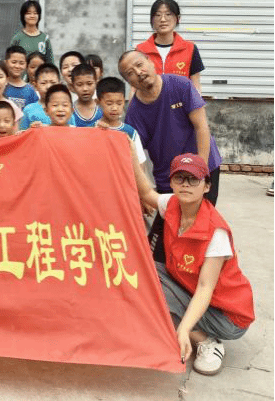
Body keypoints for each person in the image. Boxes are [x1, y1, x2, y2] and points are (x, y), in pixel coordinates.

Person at [130, 153, 254, 376]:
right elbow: (146, 193)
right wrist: (129, 148)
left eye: (193, 179)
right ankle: (181, 325)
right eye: (179, 178)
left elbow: (206, 288)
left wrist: (185, 328)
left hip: (228, 316)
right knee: (137, 271)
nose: (185, 184)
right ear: (171, 183)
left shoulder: (216, 233)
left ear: (207, 186)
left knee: (153, 295)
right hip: (191, 288)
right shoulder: (172, 204)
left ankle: (206, 342)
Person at [120, 50, 222, 263]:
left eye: (139, 64)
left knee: (198, 231)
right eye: (130, 73)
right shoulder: (135, 112)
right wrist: (142, 192)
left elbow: (202, 127)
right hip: (168, 180)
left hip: (204, 168)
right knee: (160, 245)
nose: (138, 72)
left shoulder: (180, 85)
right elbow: (137, 155)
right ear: (128, 81)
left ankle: (199, 277)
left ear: (150, 62)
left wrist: (201, 172)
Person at [137, 0, 205, 93]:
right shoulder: (141, 50)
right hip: (150, 102)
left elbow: (196, 85)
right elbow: (135, 87)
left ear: (178, 18)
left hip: (181, 102)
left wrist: (197, 102)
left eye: (168, 14)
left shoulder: (190, 49)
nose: (163, 19)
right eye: (157, 15)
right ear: (152, 20)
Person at [95, 77, 146, 167]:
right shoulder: (93, 128)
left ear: (124, 102)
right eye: (109, 103)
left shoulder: (131, 132)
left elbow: (140, 163)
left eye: (119, 103)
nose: (114, 108)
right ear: (98, 102)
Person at [20, 63, 74, 129]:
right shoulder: (29, 110)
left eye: (53, 82)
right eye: (43, 83)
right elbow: (22, 133)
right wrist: (31, 129)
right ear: (35, 85)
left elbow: (74, 131)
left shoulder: (66, 111)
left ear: (59, 83)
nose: (48, 86)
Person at [10, 0, 54, 64]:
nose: (32, 16)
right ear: (23, 16)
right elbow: (11, 61)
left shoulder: (44, 38)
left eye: (35, 13)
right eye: (28, 13)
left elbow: (50, 62)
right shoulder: (17, 38)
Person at [4, 45, 39, 110]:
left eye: (21, 63)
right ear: (6, 62)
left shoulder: (30, 90)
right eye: (14, 62)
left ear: (26, 65)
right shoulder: (1, 86)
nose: (17, 66)